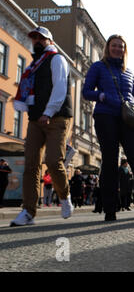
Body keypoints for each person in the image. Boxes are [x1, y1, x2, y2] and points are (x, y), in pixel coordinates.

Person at [82, 34, 134, 221]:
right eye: (114, 46)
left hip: (127, 119)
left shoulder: (128, 71)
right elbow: (86, 91)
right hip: (105, 116)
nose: (118, 49)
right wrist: (102, 97)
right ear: (108, 48)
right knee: (110, 161)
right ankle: (110, 209)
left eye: (121, 46)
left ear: (124, 50)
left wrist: (133, 103)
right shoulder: (98, 67)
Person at [10, 26, 74, 226]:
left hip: (57, 117)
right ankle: (28, 212)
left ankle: (64, 197)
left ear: (50, 42)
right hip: (36, 119)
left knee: (54, 162)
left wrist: (48, 112)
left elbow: (60, 87)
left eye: (41, 38)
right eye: (34, 38)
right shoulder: (33, 66)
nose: (37, 41)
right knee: (30, 166)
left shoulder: (57, 59)